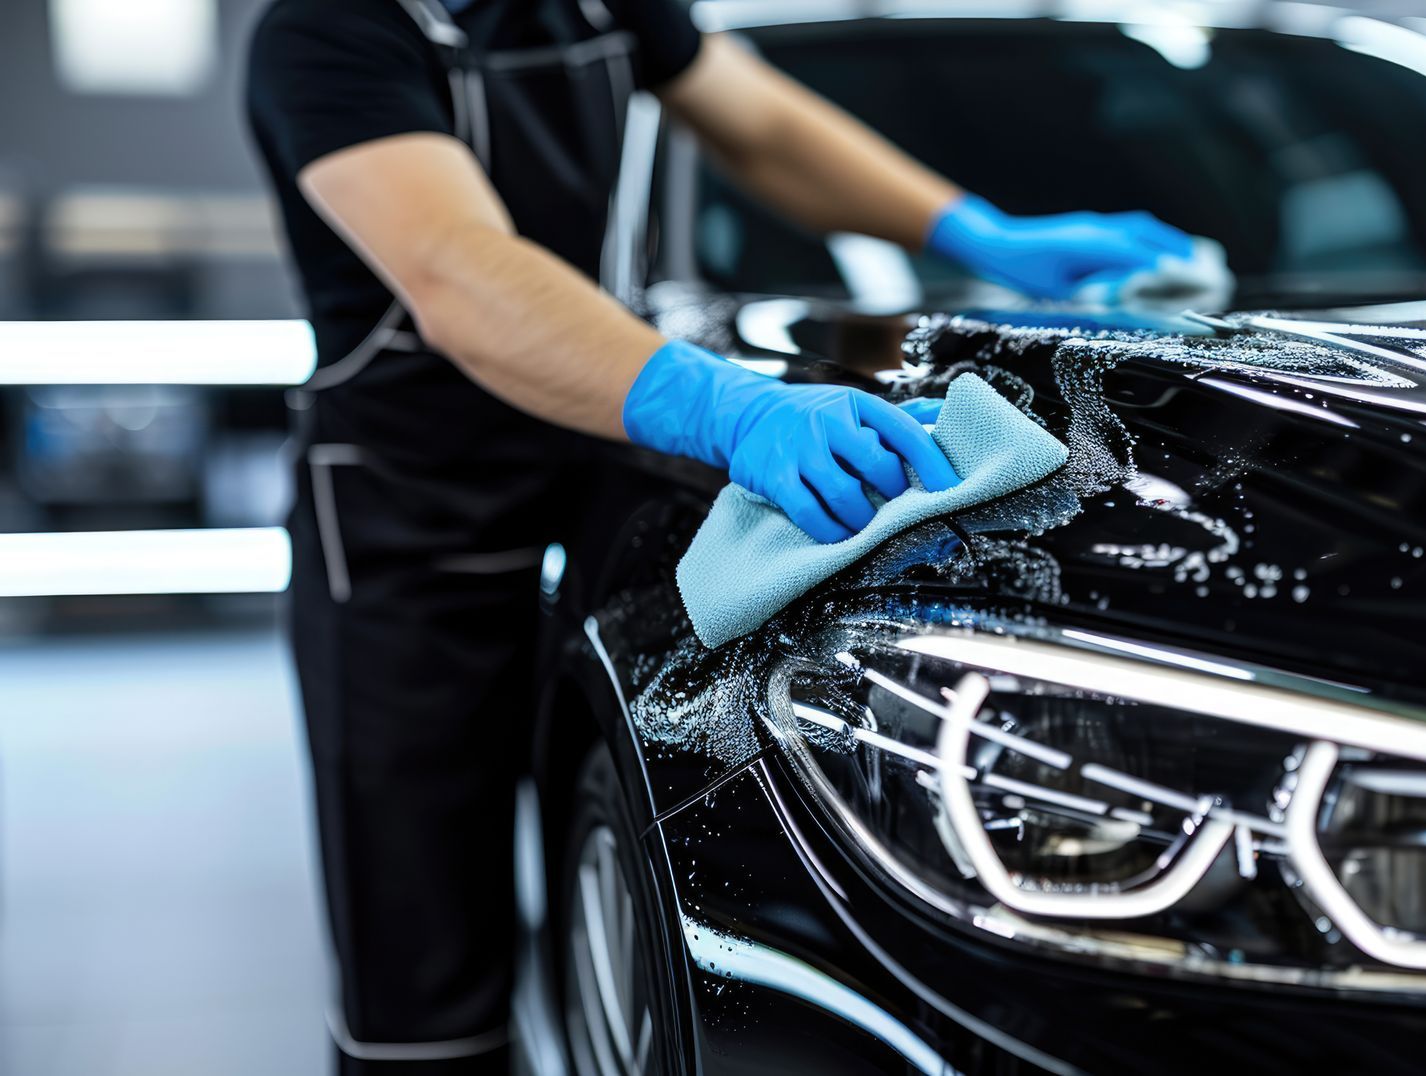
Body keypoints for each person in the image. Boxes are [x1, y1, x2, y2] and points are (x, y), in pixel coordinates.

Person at [246, 0, 1208, 1068]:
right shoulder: (331, 30)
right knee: (421, 959)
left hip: (584, 451)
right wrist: (730, 406)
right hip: (407, 519)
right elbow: (456, 270)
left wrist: (974, 232)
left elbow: (763, 127)